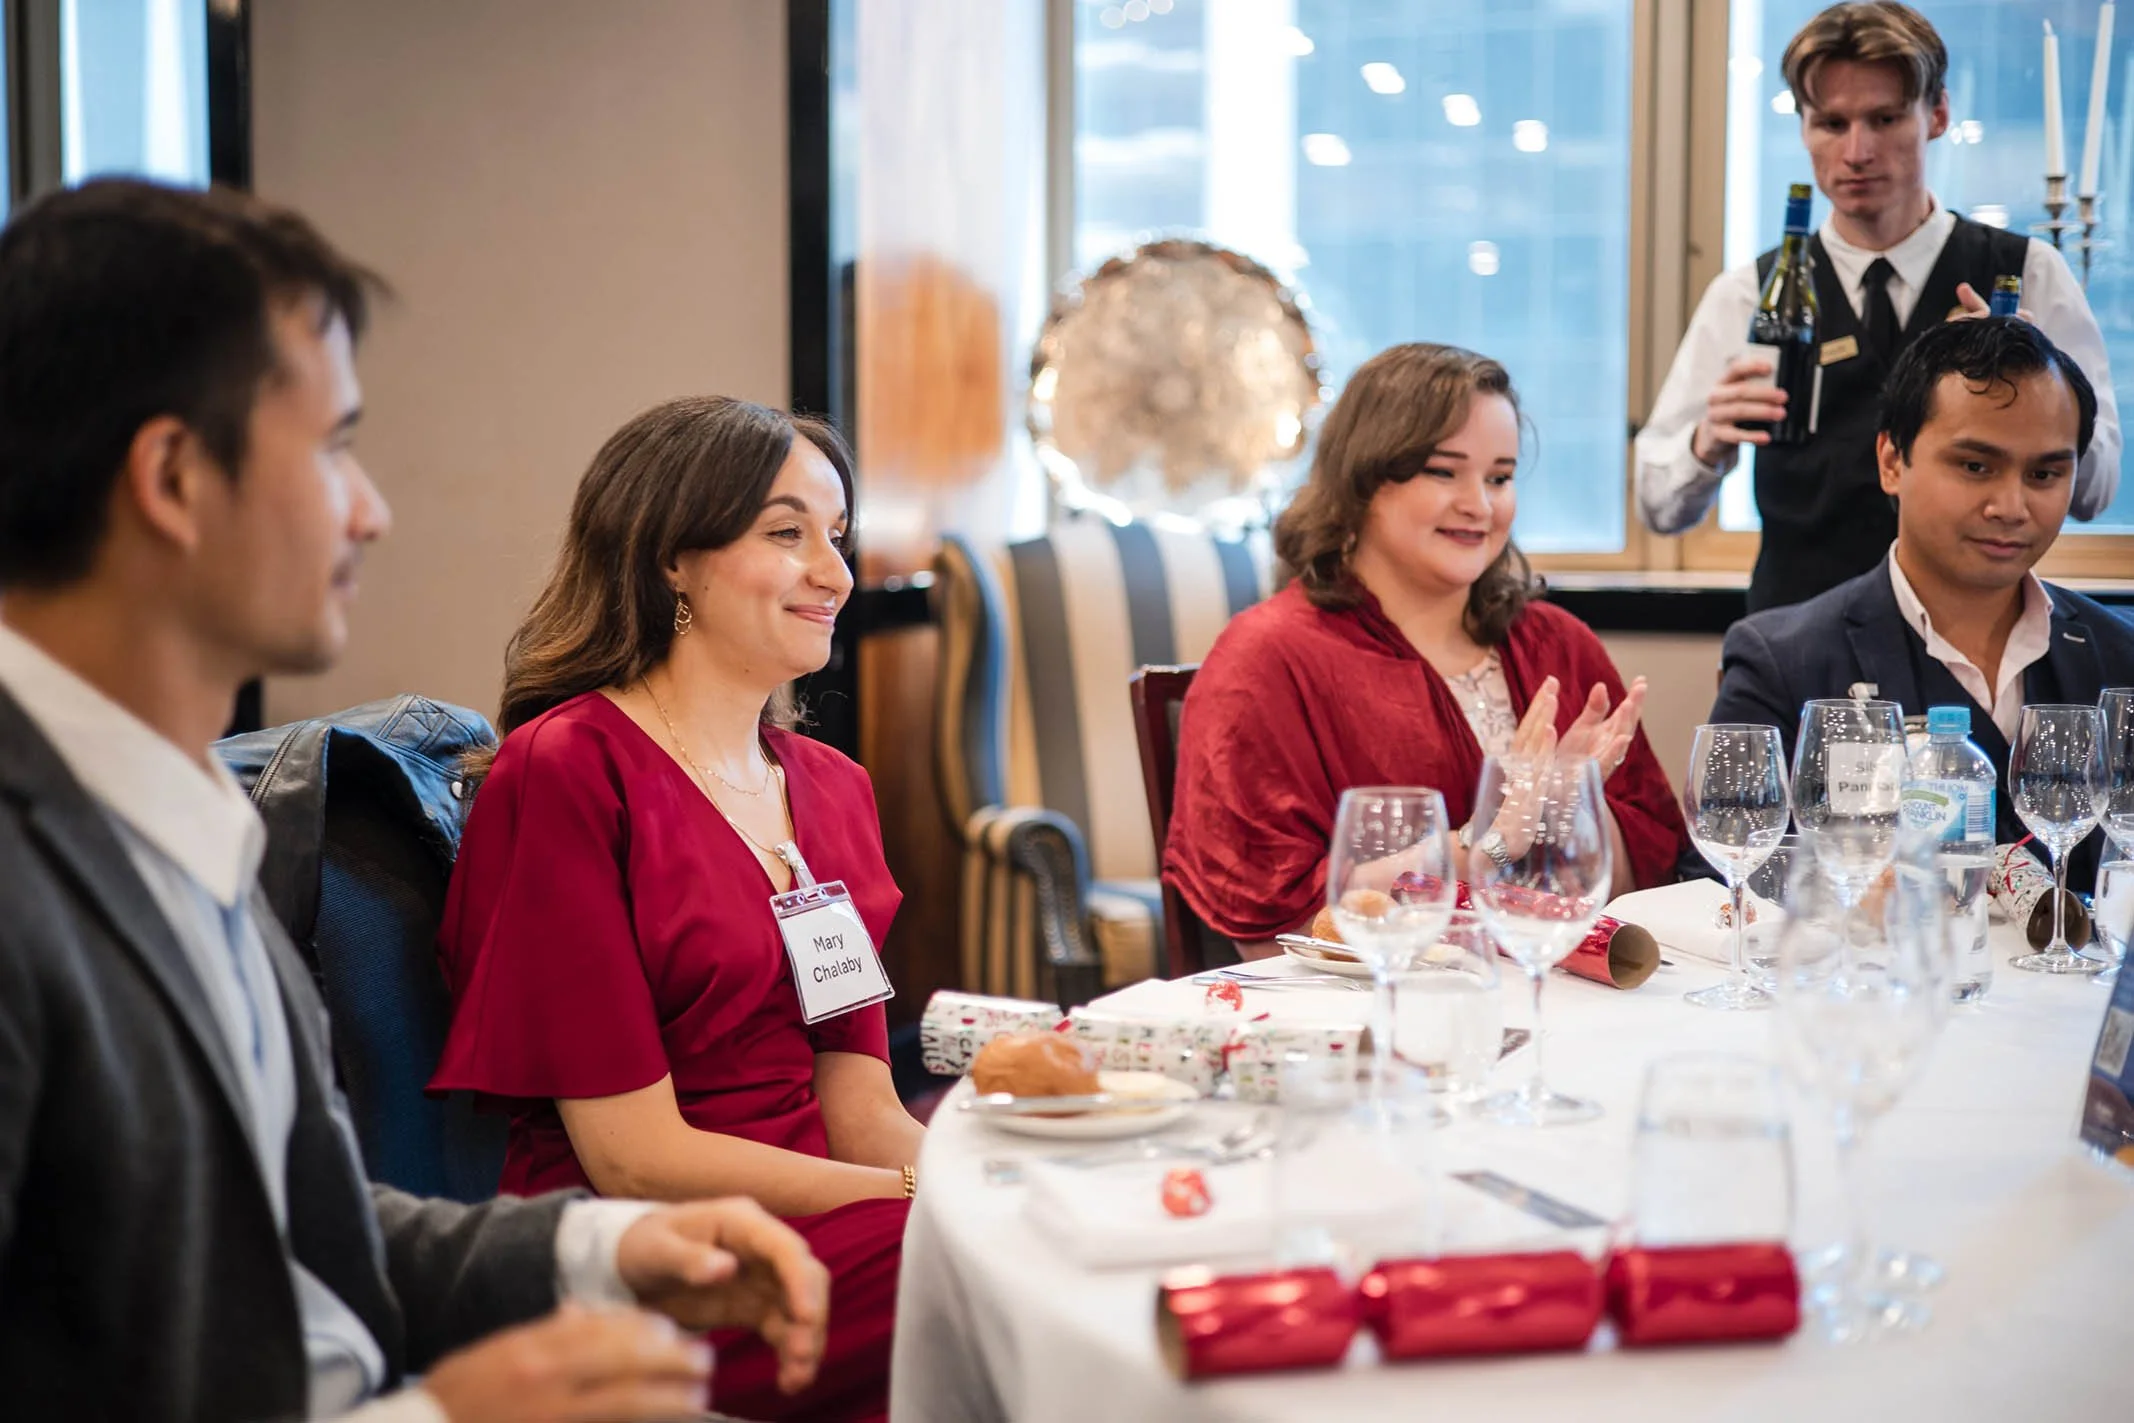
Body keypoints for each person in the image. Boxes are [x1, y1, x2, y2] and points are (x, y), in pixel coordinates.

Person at [0, 179, 832, 1421]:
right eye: (333, 447)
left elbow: (296, 1239)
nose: (372, 509)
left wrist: (593, 1255)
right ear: (173, 478)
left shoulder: (187, 820)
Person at [430, 396, 922, 1423]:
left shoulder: (833, 786)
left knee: (1031, 1243)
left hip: (829, 1213)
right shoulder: (569, 770)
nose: (833, 573)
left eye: (835, 537)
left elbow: (861, 1106)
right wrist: (930, 1208)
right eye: (786, 534)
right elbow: (631, 1154)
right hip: (651, 1248)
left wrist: (982, 1179)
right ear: (669, 559)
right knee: (972, 1272)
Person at [1162, 343, 1690, 955]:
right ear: (1362, 479)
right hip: (1359, 1020)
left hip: (1558, 1002)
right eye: (1444, 471)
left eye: (1500, 477)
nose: (1480, 505)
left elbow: (1647, 882)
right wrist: (1485, 840)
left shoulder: (1557, 646)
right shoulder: (1265, 661)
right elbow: (1282, 933)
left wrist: (1568, 808)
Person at [1636, 1, 2121, 613]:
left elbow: (2095, 492)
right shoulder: (1746, 294)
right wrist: (1706, 441)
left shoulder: (2027, 274)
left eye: (1884, 119)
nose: (1857, 151)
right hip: (1793, 650)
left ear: (1937, 113)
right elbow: (1656, 506)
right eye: (1831, 124)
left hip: (1973, 645)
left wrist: (2044, 391)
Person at [1709, 316, 2134, 891]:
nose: (2010, 505)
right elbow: (1720, 878)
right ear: (1891, 461)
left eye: (2043, 473)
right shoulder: (1786, 661)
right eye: (1975, 466)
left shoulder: (2116, 657)